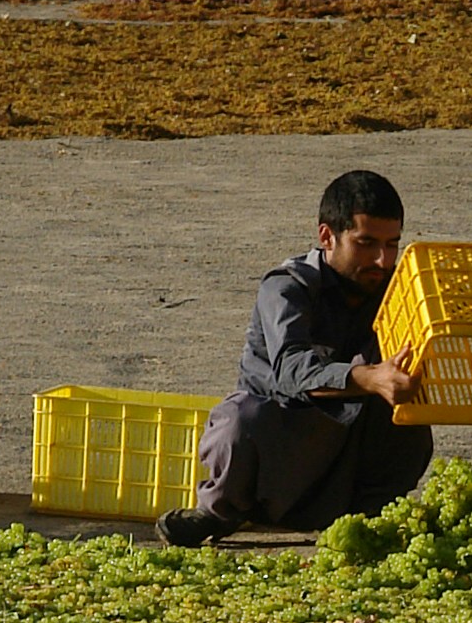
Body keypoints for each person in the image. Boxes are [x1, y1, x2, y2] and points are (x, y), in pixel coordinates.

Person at [160, 170, 435, 548]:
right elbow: (291, 371)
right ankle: (221, 512)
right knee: (241, 418)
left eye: (392, 245)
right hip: (281, 448)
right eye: (366, 243)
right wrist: (369, 378)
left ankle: (370, 520)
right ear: (327, 236)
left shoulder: (394, 287)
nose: (383, 261)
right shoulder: (287, 287)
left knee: (410, 416)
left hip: (345, 461)